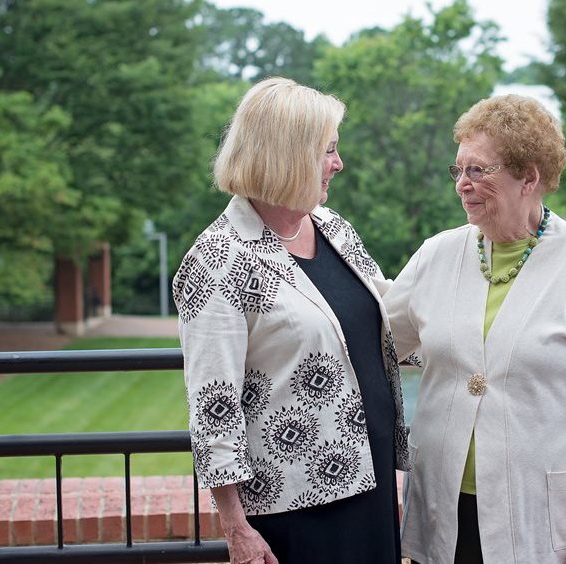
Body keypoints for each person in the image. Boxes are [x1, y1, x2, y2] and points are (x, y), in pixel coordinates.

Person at [384, 94, 566, 564]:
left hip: (535, 511)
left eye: (478, 171)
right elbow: (377, 340)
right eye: (458, 170)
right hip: (445, 509)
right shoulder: (438, 255)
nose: (462, 185)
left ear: (529, 177)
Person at [173, 77, 409, 564]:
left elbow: (394, 319)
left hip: (373, 480)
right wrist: (235, 527)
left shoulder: (334, 229)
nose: (338, 164)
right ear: (288, 155)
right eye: (328, 151)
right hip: (293, 503)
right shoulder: (218, 260)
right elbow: (213, 406)